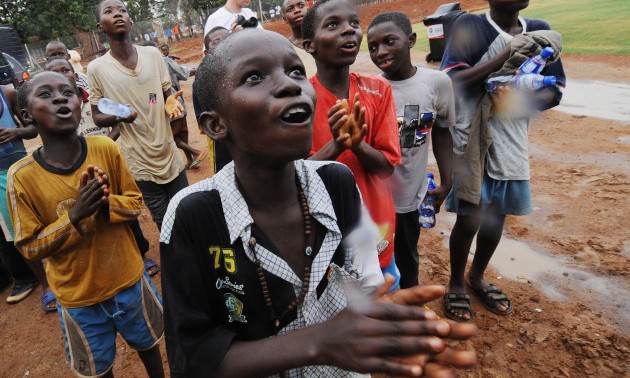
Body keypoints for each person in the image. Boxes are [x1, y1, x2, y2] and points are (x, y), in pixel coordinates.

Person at [160, 28, 476, 378]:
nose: (291, 85)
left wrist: (379, 323)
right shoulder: (193, 214)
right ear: (216, 124)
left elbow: (367, 283)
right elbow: (192, 357)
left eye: (296, 71)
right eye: (254, 77)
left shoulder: (337, 182)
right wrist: (318, 343)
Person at [10, 71, 165, 378]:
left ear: (79, 104)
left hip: (129, 281)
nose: (59, 97)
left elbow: (134, 203)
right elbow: (29, 246)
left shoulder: (104, 149)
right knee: (98, 368)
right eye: (45, 94)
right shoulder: (22, 177)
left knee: (150, 347)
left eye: (67, 92)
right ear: (26, 115)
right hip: (78, 299)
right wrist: (75, 215)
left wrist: (106, 202)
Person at [440, 0, 565, 321]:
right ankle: (455, 281)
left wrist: (517, 97)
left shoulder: (539, 29)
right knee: (470, 216)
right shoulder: (469, 27)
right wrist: (507, 55)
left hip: (511, 138)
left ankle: (476, 276)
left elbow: (555, 91)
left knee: (497, 216)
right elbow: (453, 83)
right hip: (471, 138)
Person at [302, 0, 402, 289]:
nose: (349, 31)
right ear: (310, 45)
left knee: (383, 300)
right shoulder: (300, 99)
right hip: (323, 233)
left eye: (354, 24)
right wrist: (338, 144)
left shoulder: (378, 90)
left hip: (375, 226)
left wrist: (357, 144)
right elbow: (295, 176)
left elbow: (386, 169)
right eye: (333, 25)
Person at [88, 0, 188, 275]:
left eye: (122, 9)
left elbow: (164, 92)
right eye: (109, 11)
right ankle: (178, 264)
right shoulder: (97, 69)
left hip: (167, 149)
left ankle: (193, 255)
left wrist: (169, 102)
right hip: (139, 159)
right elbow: (97, 115)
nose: (117, 14)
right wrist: (121, 115)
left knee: (185, 208)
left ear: (130, 21)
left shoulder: (153, 55)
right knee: (162, 217)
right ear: (101, 27)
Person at [367, 12, 455, 289]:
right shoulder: (369, 90)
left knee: (407, 253)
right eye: (372, 47)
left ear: (411, 40)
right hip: (374, 198)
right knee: (372, 256)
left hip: (409, 194)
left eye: (389, 41)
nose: (380, 52)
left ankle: (410, 301)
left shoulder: (437, 83)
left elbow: (442, 130)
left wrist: (447, 181)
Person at [0, 85, 51, 309]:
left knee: (47, 217)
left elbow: (33, 128)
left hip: (20, 169)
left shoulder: (7, 94)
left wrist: (16, 132)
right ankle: (46, 285)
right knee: (20, 231)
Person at [159, 44, 206, 170]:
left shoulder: (158, 63)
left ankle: (195, 152)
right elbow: (184, 73)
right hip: (178, 101)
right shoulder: (166, 61)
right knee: (183, 133)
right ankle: (191, 160)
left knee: (171, 136)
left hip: (169, 104)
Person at [193, 26, 232, 175]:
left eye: (228, 40)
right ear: (207, 53)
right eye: (217, 42)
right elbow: (202, 121)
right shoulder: (201, 82)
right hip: (223, 145)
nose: (224, 44)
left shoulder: (248, 72)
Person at [281, 0, 317, 78]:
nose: (297, 10)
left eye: (301, 6)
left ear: (308, 10)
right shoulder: (285, 49)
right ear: (284, 18)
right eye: (290, 9)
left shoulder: (324, 39)